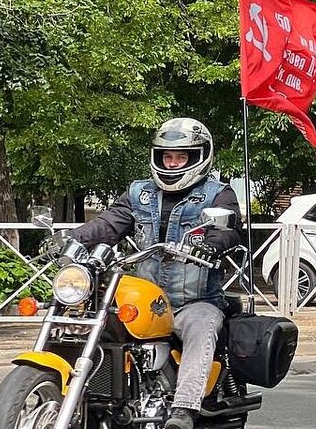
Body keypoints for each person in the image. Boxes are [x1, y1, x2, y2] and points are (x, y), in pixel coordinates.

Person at [66, 118, 241, 429]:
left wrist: (211, 246)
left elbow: (227, 231)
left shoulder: (218, 195)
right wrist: (73, 239)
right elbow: (109, 223)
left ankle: (183, 410)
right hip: (146, 299)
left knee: (202, 327)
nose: (172, 164)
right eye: (167, 157)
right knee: (92, 318)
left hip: (194, 302)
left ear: (200, 156)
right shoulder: (139, 193)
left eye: (181, 157)